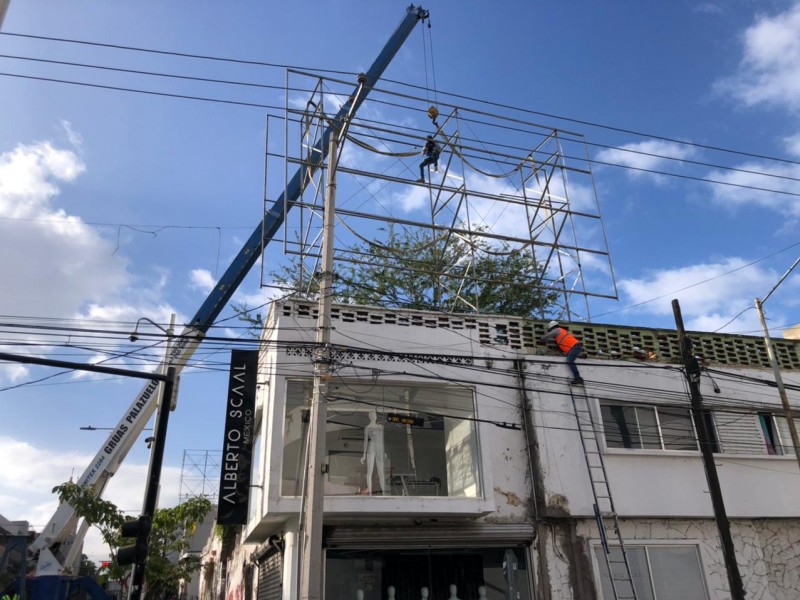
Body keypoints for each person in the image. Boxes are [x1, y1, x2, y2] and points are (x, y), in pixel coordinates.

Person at [541, 320, 584, 385]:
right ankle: (580, 355)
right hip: (575, 347)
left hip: (575, 347)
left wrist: (542, 338)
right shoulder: (561, 331)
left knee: (569, 360)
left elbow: (548, 335)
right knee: (570, 357)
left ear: (552, 327)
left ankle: (577, 378)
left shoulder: (556, 330)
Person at [361, 409, 386, 494]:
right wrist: (364, 454)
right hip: (371, 447)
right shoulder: (367, 428)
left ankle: (384, 492)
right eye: (372, 415)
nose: (374, 417)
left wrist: (384, 451)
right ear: (369, 417)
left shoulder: (380, 427)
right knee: (369, 471)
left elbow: (382, 439)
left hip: (379, 447)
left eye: (374, 415)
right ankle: (370, 493)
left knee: (381, 472)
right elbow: (365, 442)